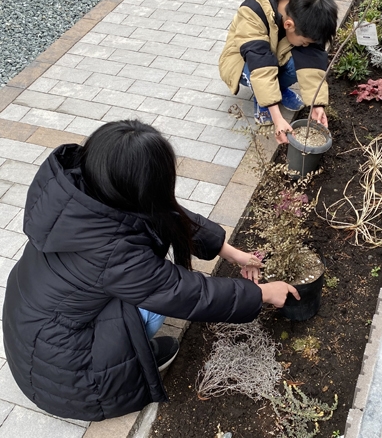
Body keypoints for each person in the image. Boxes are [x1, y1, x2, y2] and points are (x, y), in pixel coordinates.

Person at [2, 120, 299, 422]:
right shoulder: (113, 251)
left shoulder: (81, 193)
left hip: (34, 332)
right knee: (153, 303)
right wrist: (261, 293)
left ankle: (129, 348)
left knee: (146, 286)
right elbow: (184, 294)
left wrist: (232, 252)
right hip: (66, 374)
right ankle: (134, 360)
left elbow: (165, 213)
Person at [219, 0, 339, 144]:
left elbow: (313, 58)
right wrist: (277, 118)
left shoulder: (312, 11)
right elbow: (260, 63)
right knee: (256, 69)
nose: (306, 44)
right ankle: (264, 101)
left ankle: (279, 90)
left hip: (276, 55)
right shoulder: (253, 13)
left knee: (301, 59)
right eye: (305, 41)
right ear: (289, 24)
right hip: (243, 61)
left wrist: (317, 104)